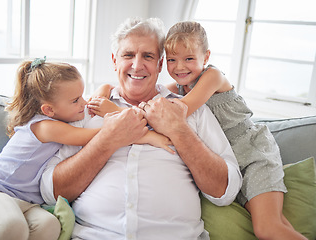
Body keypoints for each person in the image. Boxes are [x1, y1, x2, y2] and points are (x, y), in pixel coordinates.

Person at [40, 17, 242, 240]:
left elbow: (226, 191)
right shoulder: (85, 110)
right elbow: (50, 191)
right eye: (128, 55)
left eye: (148, 56)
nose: (137, 65)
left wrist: (179, 131)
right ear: (114, 60)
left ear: (160, 64)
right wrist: (107, 139)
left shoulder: (192, 110)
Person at [162, 21, 306, 240]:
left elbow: (179, 110)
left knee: (268, 228)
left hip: (253, 155)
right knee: (278, 227)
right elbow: (150, 96)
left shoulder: (213, 76)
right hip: (227, 167)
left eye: (189, 58)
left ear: (206, 57)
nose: (179, 67)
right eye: (172, 60)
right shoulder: (179, 87)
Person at [0, 57, 94, 240]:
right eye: (76, 100)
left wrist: (104, 90)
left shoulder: (54, 120)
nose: (84, 103)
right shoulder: (45, 126)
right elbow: (91, 137)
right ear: (49, 110)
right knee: (11, 226)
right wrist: (119, 124)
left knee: (50, 225)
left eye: (82, 95)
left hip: (26, 202)